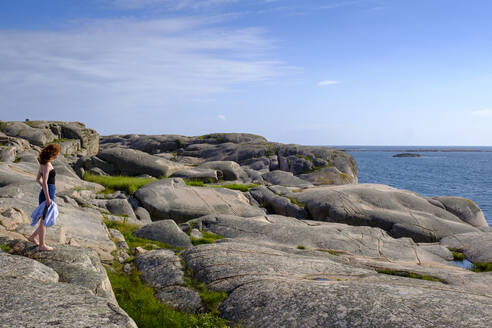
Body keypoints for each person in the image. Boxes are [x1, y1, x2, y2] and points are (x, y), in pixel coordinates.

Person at [28, 143, 60, 251]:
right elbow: (45, 182)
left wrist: (45, 190)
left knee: (45, 218)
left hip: (47, 191)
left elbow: (38, 179)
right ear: (52, 153)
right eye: (57, 153)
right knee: (45, 219)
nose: (57, 155)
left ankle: (33, 237)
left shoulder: (43, 164)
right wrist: (47, 197)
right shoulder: (46, 165)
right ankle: (42, 245)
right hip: (48, 193)